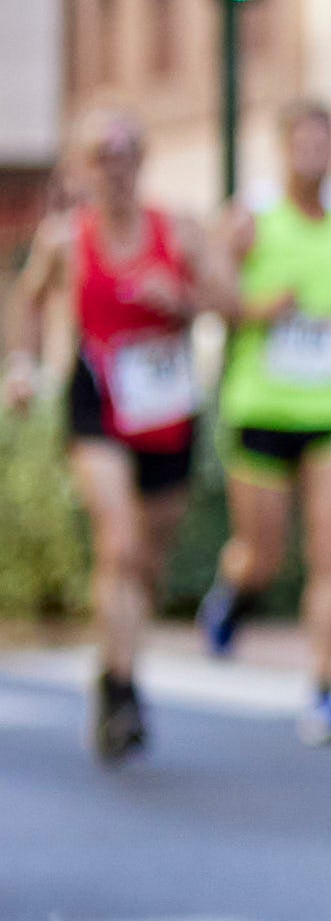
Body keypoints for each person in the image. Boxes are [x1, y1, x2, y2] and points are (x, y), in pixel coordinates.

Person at [5, 111, 204, 761]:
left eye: (123, 158)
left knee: (147, 558)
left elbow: (228, 297)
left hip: (168, 406)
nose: (113, 171)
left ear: (141, 162)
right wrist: (23, 367)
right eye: (100, 159)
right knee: (117, 543)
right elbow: (29, 300)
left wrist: (182, 298)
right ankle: (119, 689)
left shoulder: (178, 230)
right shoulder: (64, 238)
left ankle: (120, 662)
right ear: (84, 169)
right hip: (98, 399)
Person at [200, 99, 331, 747]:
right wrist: (255, 306)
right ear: (282, 147)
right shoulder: (252, 217)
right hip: (264, 409)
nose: (313, 152)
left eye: (323, 142)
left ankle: (326, 690)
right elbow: (211, 294)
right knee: (265, 556)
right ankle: (235, 590)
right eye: (301, 140)